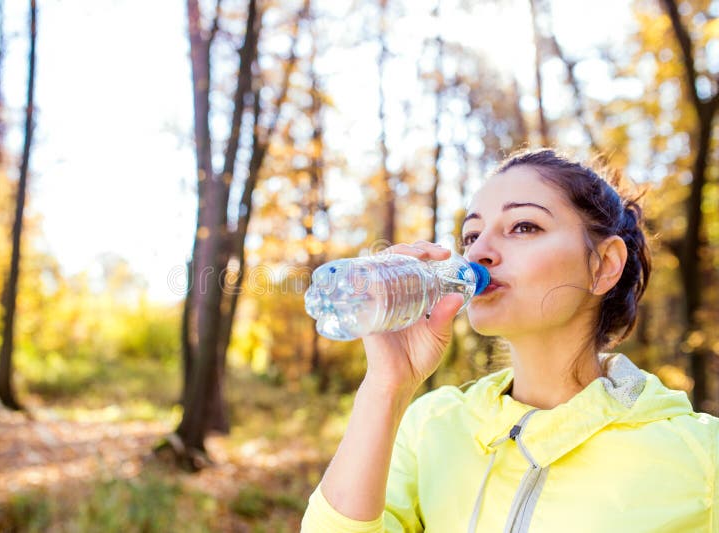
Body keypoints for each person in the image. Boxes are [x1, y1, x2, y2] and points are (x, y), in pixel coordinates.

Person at [300, 148, 719, 532]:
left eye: (523, 226)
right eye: (471, 235)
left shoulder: (701, 455)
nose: (478, 252)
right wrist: (386, 386)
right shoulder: (431, 425)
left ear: (604, 264)